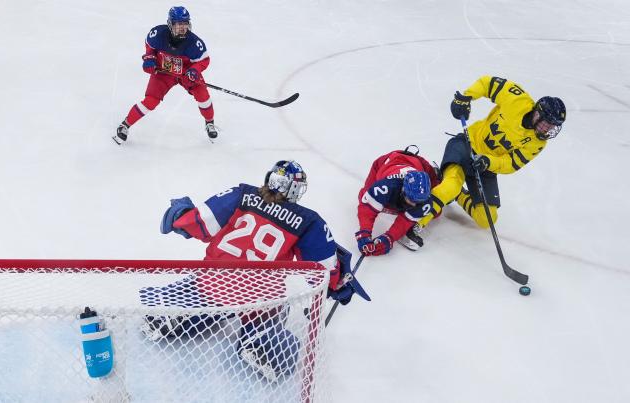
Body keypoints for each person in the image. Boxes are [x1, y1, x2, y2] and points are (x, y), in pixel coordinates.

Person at [155, 160, 369, 380]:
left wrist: (180, 214)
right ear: (295, 189)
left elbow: (200, 222)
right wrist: (337, 283)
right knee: (277, 313)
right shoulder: (309, 221)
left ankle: (172, 311)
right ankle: (262, 344)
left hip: (214, 280)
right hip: (259, 295)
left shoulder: (241, 194)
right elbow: (322, 268)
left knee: (201, 291)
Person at [417, 76, 566, 230]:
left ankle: (458, 194)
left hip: (485, 165)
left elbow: (512, 164)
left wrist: (488, 162)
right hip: (467, 145)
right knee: (451, 186)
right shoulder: (517, 100)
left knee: (487, 219)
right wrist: (466, 97)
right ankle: (416, 222)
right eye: (546, 123)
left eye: (552, 126)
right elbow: (488, 83)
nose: (547, 130)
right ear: (537, 113)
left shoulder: (538, 143)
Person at [113, 6, 218, 145]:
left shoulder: (194, 43)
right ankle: (125, 125)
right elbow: (149, 46)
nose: (183, 27)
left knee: (203, 96)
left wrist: (194, 71)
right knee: (150, 101)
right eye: (179, 24)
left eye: (185, 23)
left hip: (186, 73)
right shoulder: (158, 34)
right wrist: (149, 59)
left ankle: (209, 123)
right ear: (170, 24)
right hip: (164, 72)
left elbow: (204, 60)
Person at [355, 146, 441, 256]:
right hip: (385, 162)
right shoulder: (386, 187)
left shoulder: (425, 202)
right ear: (403, 190)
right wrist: (364, 232)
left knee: (437, 212)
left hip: (420, 164)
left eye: (419, 201)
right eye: (411, 199)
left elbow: (405, 221)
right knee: (363, 196)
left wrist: (389, 238)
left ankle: (436, 174)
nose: (414, 204)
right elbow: (366, 207)